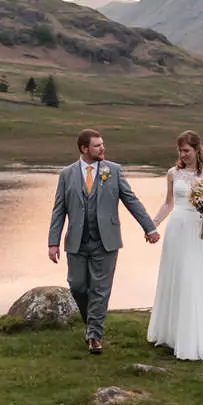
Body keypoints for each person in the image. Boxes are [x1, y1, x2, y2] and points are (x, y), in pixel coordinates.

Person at [48, 129, 159, 355]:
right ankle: (92, 322)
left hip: (105, 241)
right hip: (76, 242)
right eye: (97, 145)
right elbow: (59, 210)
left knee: (100, 289)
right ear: (84, 149)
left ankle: (94, 336)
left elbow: (131, 200)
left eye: (102, 144)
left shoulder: (114, 171)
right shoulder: (66, 174)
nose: (102, 148)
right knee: (77, 285)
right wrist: (53, 242)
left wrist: (149, 227)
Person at [145, 130, 203, 361]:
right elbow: (168, 204)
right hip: (176, 228)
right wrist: (152, 225)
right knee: (176, 276)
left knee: (195, 278)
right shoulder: (173, 174)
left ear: (197, 150)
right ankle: (172, 334)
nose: (182, 155)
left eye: (186, 150)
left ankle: (198, 335)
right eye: (180, 150)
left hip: (197, 231)